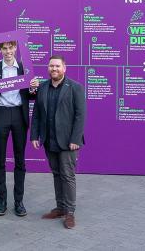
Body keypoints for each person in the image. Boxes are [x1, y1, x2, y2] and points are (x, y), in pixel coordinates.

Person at [31, 55, 86, 229]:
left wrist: (75, 139)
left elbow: (80, 115)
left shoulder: (75, 87)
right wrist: (34, 136)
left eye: (57, 66)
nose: (54, 69)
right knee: (56, 174)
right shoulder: (43, 87)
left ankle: (70, 212)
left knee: (67, 176)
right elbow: (37, 114)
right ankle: (60, 207)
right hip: (49, 140)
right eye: (51, 66)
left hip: (68, 142)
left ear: (64, 68)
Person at [0, 40, 40, 217]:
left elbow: (32, 96)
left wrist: (33, 89)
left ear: (16, 48)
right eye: (4, 48)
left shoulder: (25, 68)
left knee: (20, 160)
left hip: (19, 115)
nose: (8, 51)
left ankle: (19, 201)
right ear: (0, 49)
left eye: (11, 47)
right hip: (0, 113)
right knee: (0, 160)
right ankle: (2, 201)